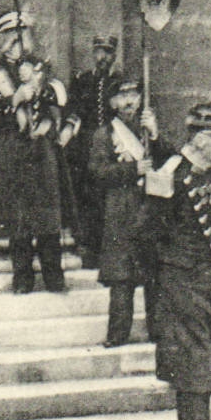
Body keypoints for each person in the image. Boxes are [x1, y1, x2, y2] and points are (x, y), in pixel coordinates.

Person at [130, 104, 211, 420]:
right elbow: (146, 232)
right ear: (202, 139)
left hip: (210, 278)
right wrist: (165, 274)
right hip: (181, 279)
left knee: (202, 356)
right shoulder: (171, 174)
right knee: (194, 357)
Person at [0, 11, 76, 293]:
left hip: (42, 152)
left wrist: (39, 91)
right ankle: (22, 278)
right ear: (2, 40)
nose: (17, 42)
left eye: (22, 35)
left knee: (48, 219)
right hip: (12, 154)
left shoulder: (42, 67)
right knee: (18, 220)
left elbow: (62, 103)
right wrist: (14, 99)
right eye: (11, 37)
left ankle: (54, 276)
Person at [89, 76, 166, 346]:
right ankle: (118, 334)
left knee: (154, 275)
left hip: (149, 209)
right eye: (122, 96)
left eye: (134, 94)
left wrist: (155, 135)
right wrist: (133, 170)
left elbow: (170, 162)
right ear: (112, 102)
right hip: (121, 211)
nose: (129, 101)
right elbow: (98, 172)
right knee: (122, 279)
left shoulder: (148, 129)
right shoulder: (105, 134)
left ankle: (158, 330)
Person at [69, 34, 121, 267]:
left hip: (112, 147)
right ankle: (88, 248)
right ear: (93, 53)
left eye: (108, 52)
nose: (102, 57)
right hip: (86, 148)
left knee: (108, 199)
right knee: (86, 198)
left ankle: (106, 250)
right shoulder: (82, 81)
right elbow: (74, 111)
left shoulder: (120, 83)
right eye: (99, 51)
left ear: (114, 56)